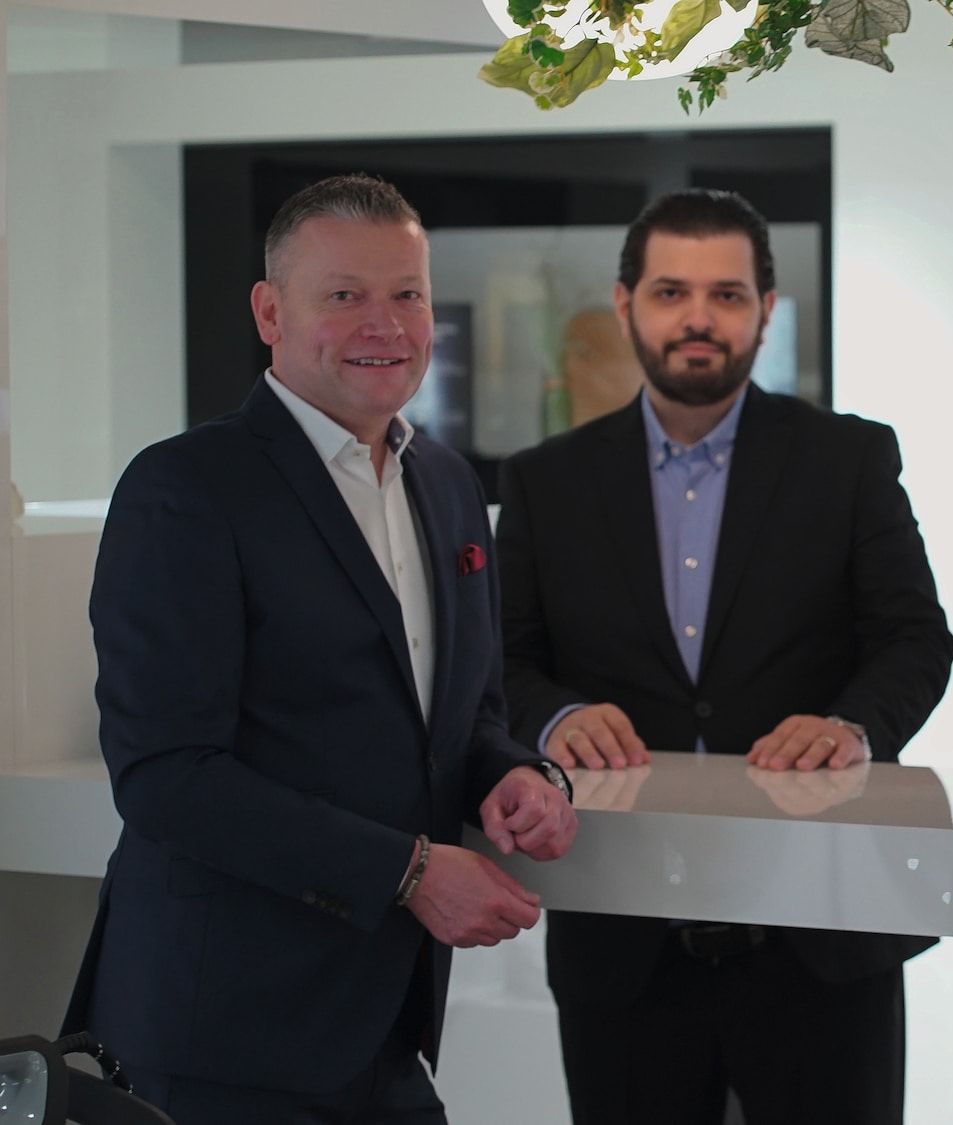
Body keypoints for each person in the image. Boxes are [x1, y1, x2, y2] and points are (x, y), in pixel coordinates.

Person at [64, 173, 578, 1125]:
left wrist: (516, 773)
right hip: (219, 1034)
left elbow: (463, 714)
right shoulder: (185, 488)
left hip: (386, 1028)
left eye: (407, 294)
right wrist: (413, 872)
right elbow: (167, 775)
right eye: (343, 295)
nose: (383, 323)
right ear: (270, 311)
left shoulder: (451, 484)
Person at [496, 188, 953, 1125]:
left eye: (727, 295)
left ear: (766, 311)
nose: (698, 318)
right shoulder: (545, 481)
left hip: (823, 933)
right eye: (670, 292)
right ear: (625, 305)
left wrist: (853, 725)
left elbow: (915, 636)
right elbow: (500, 658)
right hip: (625, 940)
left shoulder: (851, 459)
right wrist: (553, 716)